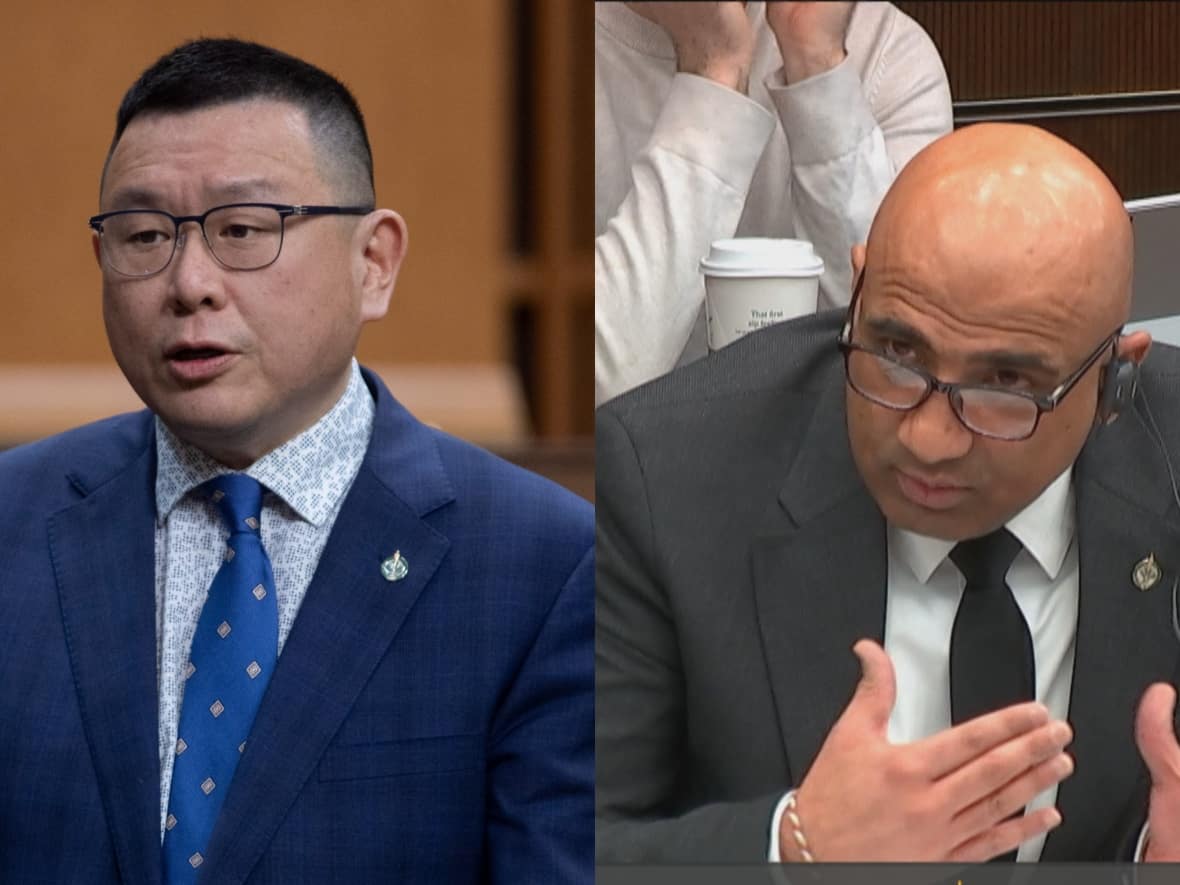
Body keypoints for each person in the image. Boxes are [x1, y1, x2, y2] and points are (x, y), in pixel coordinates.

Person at [0, 38, 593, 884]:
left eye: (243, 229)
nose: (188, 281)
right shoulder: (13, 525)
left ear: (374, 263)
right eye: (143, 235)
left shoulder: (544, 563)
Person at [596, 122, 1180, 863]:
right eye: (897, 353)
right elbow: (568, 843)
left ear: (1113, 381)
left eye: (1006, 385)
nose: (928, 439)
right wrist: (794, 848)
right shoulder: (667, 474)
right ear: (858, 289)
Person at [595, 1, 953, 405]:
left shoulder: (888, 53)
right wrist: (714, 67)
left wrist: (817, 63)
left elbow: (902, 365)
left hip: (827, 453)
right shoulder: (544, 45)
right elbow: (597, 385)